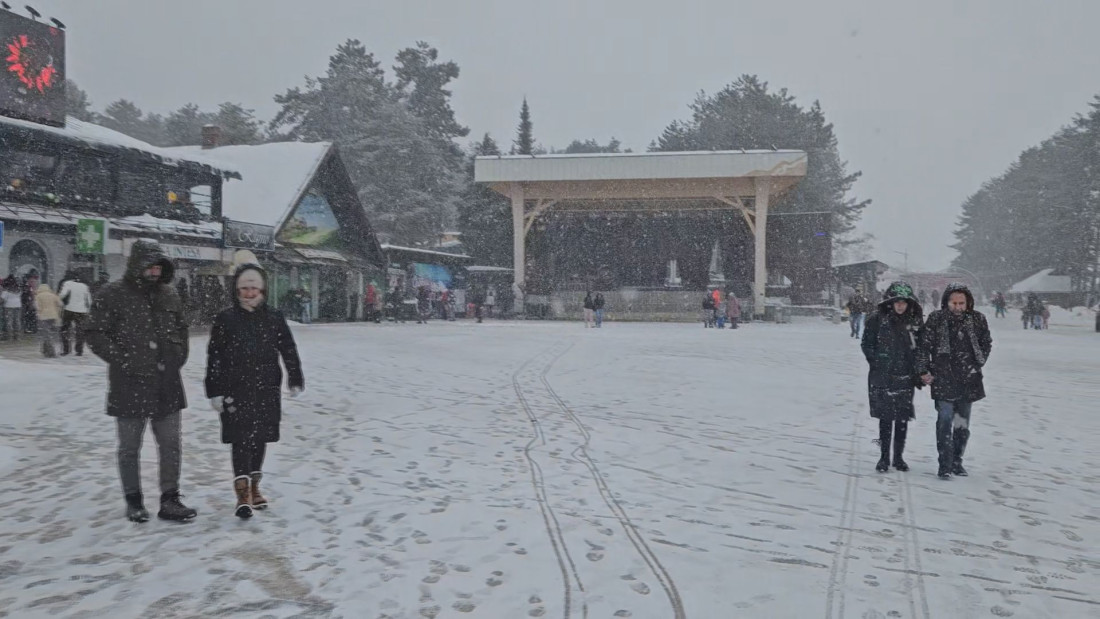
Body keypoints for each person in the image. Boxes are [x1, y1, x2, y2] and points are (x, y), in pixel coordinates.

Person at [85, 240, 196, 522]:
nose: (155, 271)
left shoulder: (169, 294)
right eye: (150, 265)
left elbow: (182, 329)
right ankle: (133, 501)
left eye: (159, 266)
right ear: (137, 264)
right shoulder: (112, 294)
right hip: (129, 382)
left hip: (166, 382)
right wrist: (124, 359)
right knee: (129, 447)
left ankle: (170, 499)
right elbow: (95, 333)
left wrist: (178, 356)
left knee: (171, 444)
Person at [205, 262, 304, 519]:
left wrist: (295, 377)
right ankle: (242, 493)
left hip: (265, 387)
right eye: (244, 288)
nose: (249, 293)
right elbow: (214, 355)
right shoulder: (226, 318)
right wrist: (214, 390)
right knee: (240, 439)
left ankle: (255, 486)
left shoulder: (274, 317)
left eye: (254, 288)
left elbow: (288, 349)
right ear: (237, 290)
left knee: (260, 438)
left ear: (262, 290)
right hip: (234, 388)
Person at [917, 283, 993, 479]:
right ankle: (945, 463)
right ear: (947, 302)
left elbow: (986, 342)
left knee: (962, 424)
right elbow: (924, 346)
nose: (958, 307)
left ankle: (957, 461)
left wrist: (978, 362)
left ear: (968, 303)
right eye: (954, 303)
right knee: (944, 420)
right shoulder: (937, 319)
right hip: (943, 377)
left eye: (962, 303)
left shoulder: (977, 319)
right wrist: (924, 370)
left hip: (968, 378)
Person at [861, 282, 924, 473]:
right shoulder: (877, 319)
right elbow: (867, 344)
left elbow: (921, 348)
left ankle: (898, 457)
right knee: (885, 418)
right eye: (896, 301)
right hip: (883, 376)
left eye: (904, 302)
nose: (900, 305)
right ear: (890, 301)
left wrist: (919, 370)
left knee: (902, 419)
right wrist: (877, 361)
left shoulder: (915, 322)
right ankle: (883, 457)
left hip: (905, 376)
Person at [59, 272, 93, 356]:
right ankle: (79, 350)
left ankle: (66, 350)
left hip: (69, 309)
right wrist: (89, 310)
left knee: (65, 329)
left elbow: (62, 294)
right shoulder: (85, 286)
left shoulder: (68, 283)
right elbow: (89, 300)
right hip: (82, 311)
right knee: (80, 331)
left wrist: (58, 300)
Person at [35, 282, 63, 358]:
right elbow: (60, 304)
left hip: (43, 317)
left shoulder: (38, 296)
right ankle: (45, 351)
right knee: (49, 334)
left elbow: (38, 307)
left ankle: (51, 352)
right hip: (53, 316)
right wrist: (57, 311)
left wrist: (39, 314)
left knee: (46, 334)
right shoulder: (53, 295)